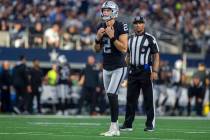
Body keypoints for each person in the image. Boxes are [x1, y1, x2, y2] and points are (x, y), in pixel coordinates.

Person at [94, 1, 128, 136]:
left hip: (119, 66)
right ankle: (114, 127)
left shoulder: (121, 26)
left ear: (114, 11)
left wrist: (112, 36)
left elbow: (124, 48)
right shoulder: (100, 25)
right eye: (104, 10)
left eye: (108, 10)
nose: (105, 13)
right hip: (106, 67)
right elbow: (96, 50)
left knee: (112, 94)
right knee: (111, 96)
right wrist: (97, 39)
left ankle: (114, 128)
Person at [120, 16, 159, 132]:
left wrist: (155, 71)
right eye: (136, 23)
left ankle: (150, 124)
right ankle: (128, 124)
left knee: (148, 98)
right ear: (133, 25)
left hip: (145, 70)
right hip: (132, 71)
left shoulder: (150, 38)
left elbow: (156, 55)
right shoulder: (130, 39)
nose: (138, 25)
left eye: (140, 23)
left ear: (144, 24)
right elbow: (128, 56)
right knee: (130, 99)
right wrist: (123, 71)